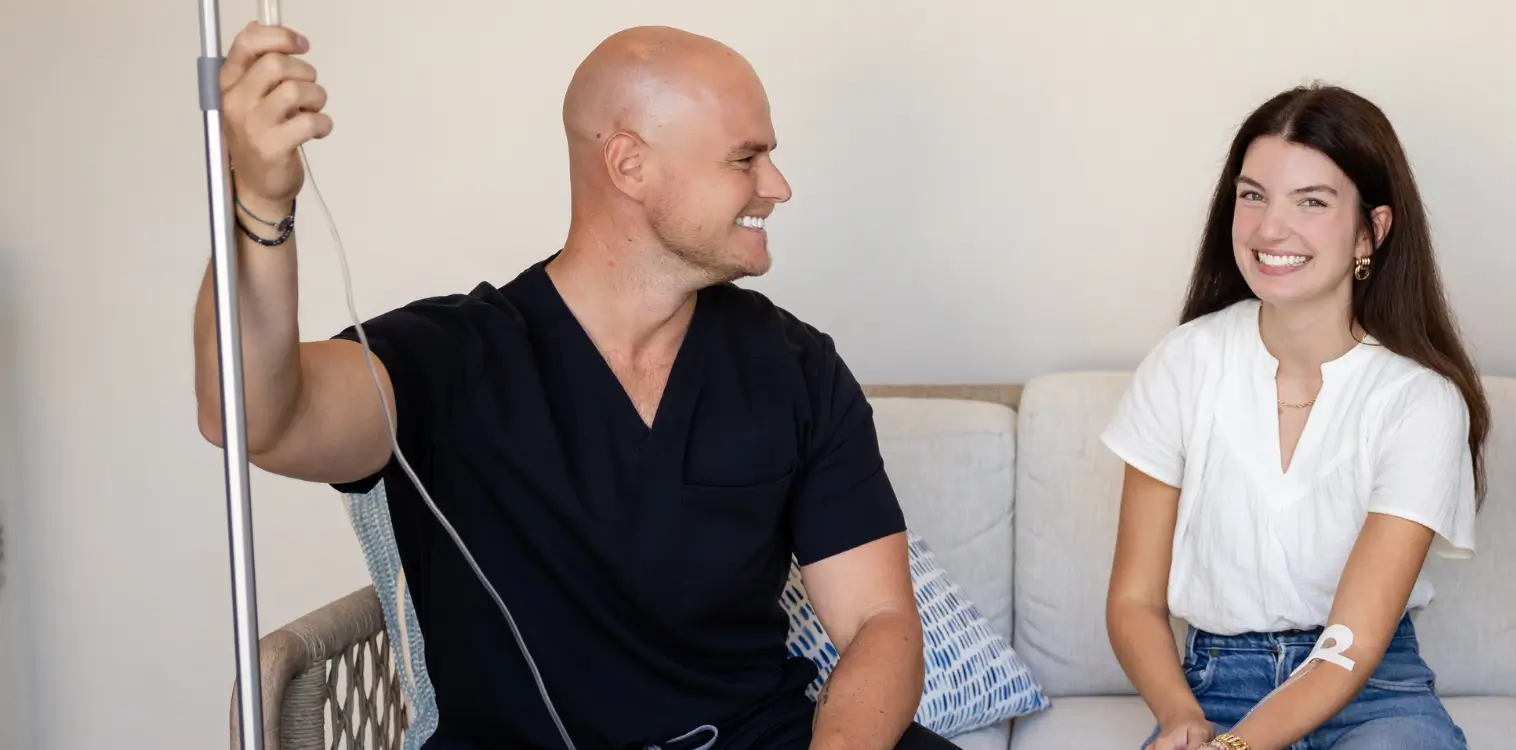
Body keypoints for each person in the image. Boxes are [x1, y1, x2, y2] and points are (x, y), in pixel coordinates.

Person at [192, 22, 960, 750]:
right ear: (629, 164)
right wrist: (258, 201)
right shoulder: (448, 360)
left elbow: (879, 620)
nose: (778, 186)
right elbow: (255, 415)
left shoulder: (795, 366)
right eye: (745, 158)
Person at [1100, 84, 1489, 750]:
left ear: (1372, 230)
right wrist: (1181, 717)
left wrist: (1239, 748)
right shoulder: (1185, 361)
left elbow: (1352, 643)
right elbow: (1134, 599)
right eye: (1253, 196)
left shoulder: (1419, 400)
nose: (1269, 229)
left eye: (1311, 202)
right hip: (1214, 684)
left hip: (1371, 690)